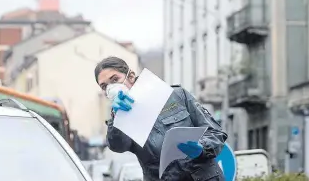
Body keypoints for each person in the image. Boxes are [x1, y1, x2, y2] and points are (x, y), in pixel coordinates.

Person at [94, 56, 227, 181]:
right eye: (105, 86)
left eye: (115, 79)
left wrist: (202, 147)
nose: (111, 88)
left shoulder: (175, 95)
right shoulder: (120, 118)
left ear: (131, 76)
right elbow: (118, 146)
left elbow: (216, 133)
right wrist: (117, 116)